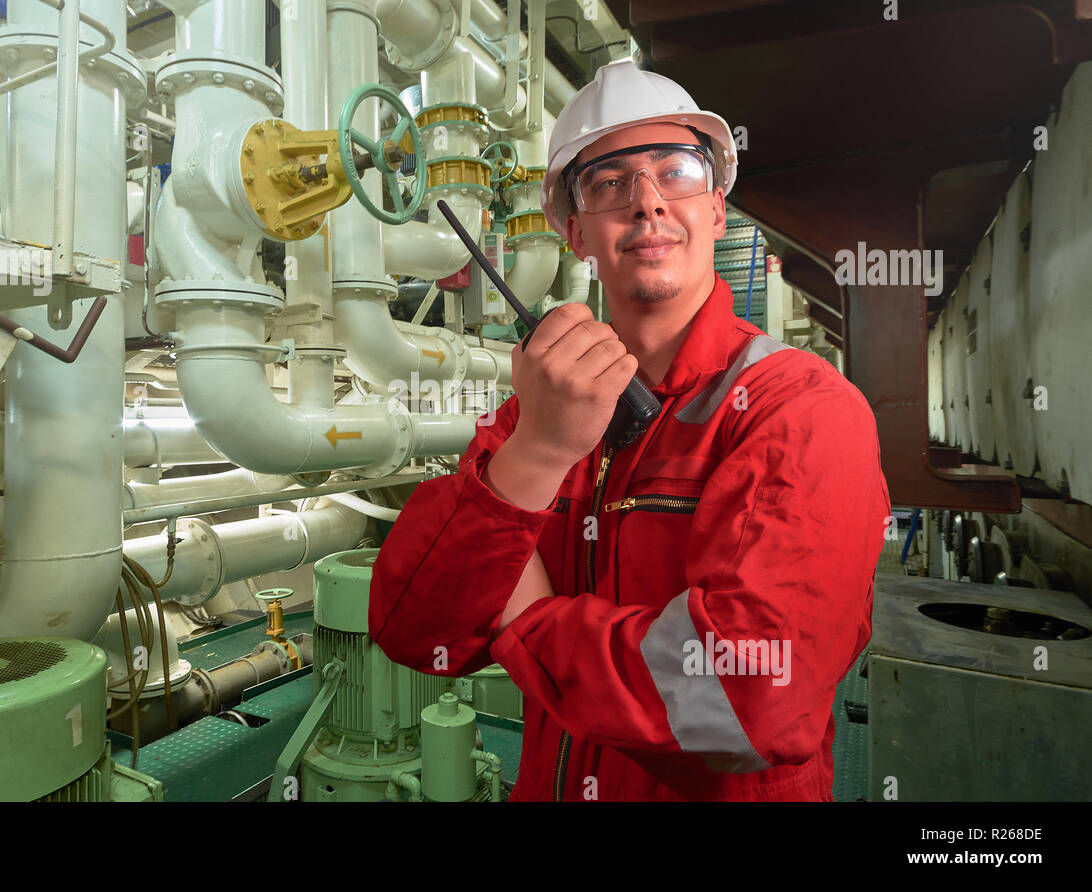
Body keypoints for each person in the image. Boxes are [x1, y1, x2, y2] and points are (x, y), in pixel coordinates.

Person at [367, 58, 891, 801]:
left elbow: (743, 702)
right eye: (610, 182)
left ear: (715, 207)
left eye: (675, 171)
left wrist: (530, 624)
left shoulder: (801, 407)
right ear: (576, 231)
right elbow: (417, 631)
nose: (646, 203)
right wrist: (541, 451)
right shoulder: (533, 417)